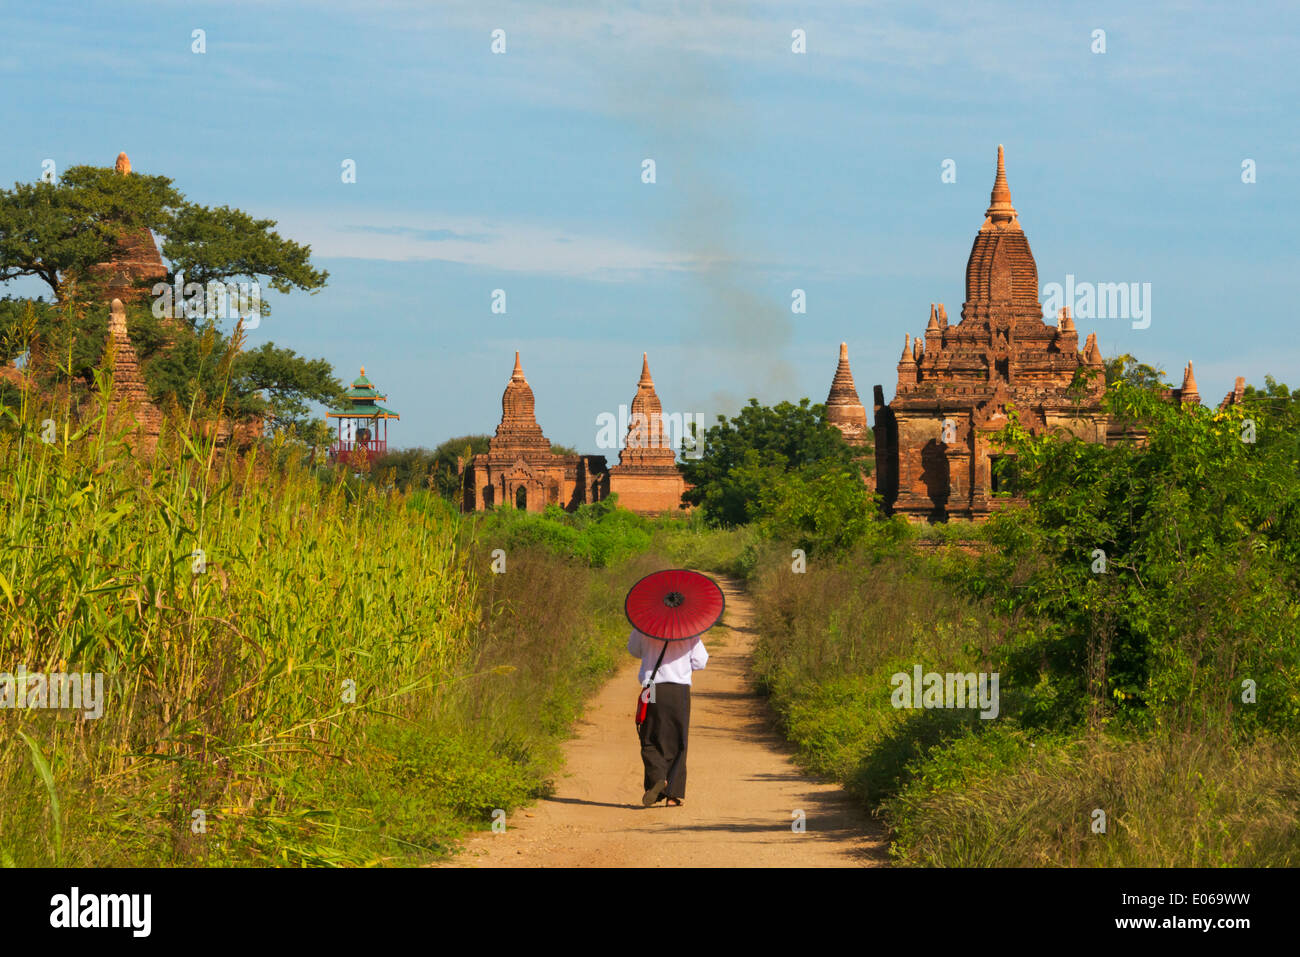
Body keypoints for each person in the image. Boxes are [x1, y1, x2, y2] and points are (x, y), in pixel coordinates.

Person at [627, 627, 708, 807]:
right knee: (678, 738)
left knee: (649, 735)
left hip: (652, 688)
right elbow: (701, 661)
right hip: (679, 690)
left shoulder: (643, 626)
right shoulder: (689, 630)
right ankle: (672, 794)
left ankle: (657, 778)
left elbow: (633, 650)